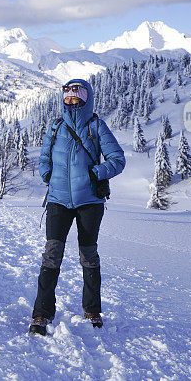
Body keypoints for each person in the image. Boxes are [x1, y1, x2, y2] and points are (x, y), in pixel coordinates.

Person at [29, 78, 126, 335]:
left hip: (89, 203)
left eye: (76, 97)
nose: (71, 101)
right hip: (58, 201)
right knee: (51, 254)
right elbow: (44, 157)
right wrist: (47, 175)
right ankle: (41, 314)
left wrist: (95, 173)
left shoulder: (96, 126)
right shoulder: (57, 126)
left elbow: (117, 160)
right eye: (67, 97)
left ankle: (92, 310)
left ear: (85, 99)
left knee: (88, 256)